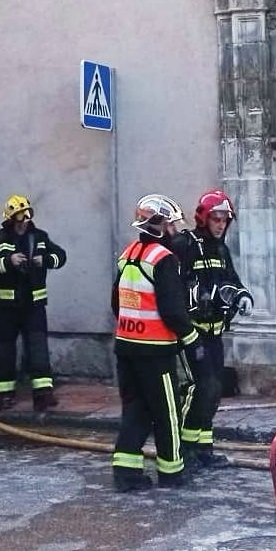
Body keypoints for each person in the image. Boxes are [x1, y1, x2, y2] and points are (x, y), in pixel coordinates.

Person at [109, 193, 200, 493]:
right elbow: (173, 310)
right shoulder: (163, 259)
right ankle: (172, 471)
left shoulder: (128, 254)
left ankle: (126, 472)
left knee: (135, 409)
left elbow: (116, 303)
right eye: (172, 225)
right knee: (167, 411)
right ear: (159, 226)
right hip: (156, 351)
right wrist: (191, 338)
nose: (176, 232)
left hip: (126, 347)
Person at [0, 194, 67, 413]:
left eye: (25, 219)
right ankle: (5, 395)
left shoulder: (40, 237)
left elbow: (61, 257)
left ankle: (43, 394)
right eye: (18, 220)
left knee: (38, 349)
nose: (22, 224)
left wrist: (44, 260)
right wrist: (8, 262)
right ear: (9, 220)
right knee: (4, 351)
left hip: (33, 305)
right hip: (4, 308)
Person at [178, 189, 248, 470]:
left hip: (216, 332)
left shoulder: (221, 249)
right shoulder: (184, 245)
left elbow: (232, 279)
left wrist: (243, 295)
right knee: (201, 389)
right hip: (193, 333)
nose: (220, 225)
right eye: (216, 219)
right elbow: (174, 287)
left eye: (224, 220)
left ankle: (204, 448)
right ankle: (184, 449)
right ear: (204, 218)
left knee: (215, 390)